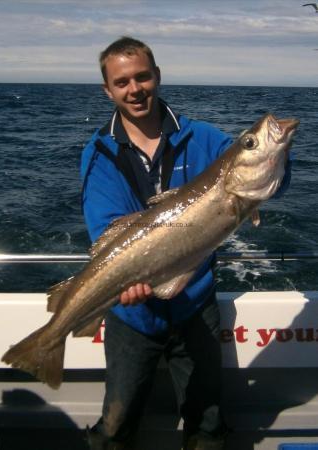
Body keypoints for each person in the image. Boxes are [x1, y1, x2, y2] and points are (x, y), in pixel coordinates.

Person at [81, 36, 291, 450]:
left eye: (142, 76)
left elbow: (273, 185)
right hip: (132, 321)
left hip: (196, 307)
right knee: (115, 427)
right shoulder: (99, 153)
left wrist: (275, 153)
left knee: (208, 424)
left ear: (157, 76)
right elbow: (105, 225)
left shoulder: (203, 137)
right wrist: (131, 280)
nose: (135, 88)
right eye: (122, 82)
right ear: (108, 90)